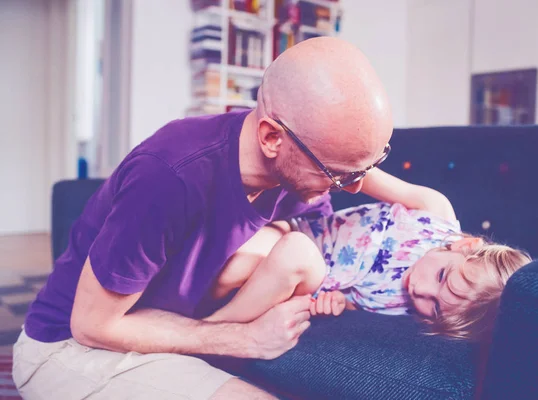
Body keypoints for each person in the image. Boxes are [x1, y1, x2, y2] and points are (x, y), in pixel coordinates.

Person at [12, 36, 413, 399]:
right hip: (68, 347)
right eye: (338, 173)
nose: (352, 187)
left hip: (160, 328)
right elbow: (93, 325)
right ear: (272, 138)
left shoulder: (300, 174)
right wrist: (243, 339)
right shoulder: (169, 176)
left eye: (363, 171)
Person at [207, 179, 532, 341]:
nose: (420, 291)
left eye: (434, 307)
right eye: (441, 277)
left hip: (308, 274)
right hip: (300, 227)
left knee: (294, 252)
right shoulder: (436, 213)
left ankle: (209, 333)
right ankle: (198, 318)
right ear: (465, 246)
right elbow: (368, 178)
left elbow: (353, 303)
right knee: (234, 267)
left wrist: (338, 304)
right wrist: (345, 167)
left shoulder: (403, 311)